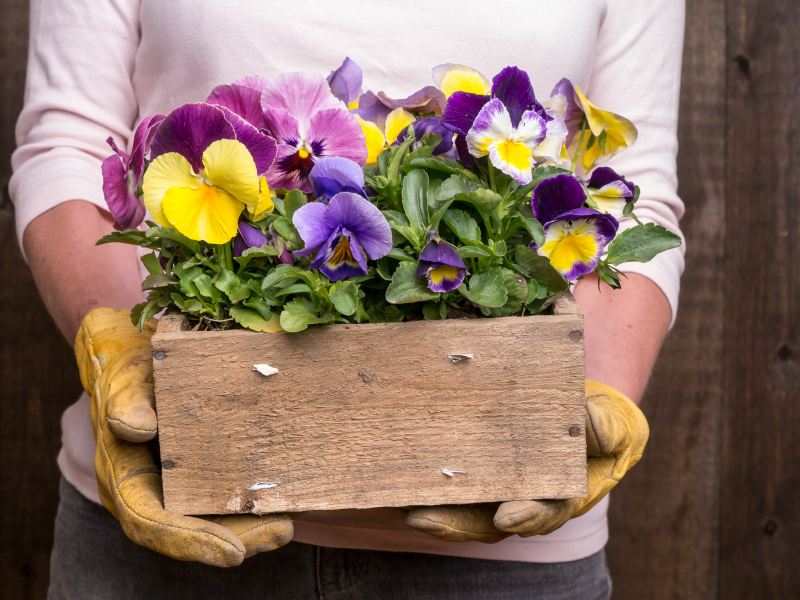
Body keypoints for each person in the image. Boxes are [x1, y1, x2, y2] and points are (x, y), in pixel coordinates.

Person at [11, 1, 685, 598]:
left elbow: (632, 188)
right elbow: (65, 145)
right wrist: (126, 357)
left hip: (506, 560)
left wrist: (592, 401)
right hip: (176, 515)